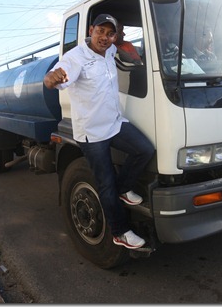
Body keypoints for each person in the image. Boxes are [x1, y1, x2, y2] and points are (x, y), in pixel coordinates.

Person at [43, 13, 155, 250]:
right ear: (91, 30)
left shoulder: (112, 51)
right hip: (92, 133)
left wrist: (121, 36)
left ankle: (124, 188)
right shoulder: (76, 57)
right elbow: (59, 73)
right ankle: (120, 232)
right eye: (100, 31)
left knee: (144, 150)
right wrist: (51, 78)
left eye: (110, 33)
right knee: (105, 185)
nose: (104, 37)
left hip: (114, 122)